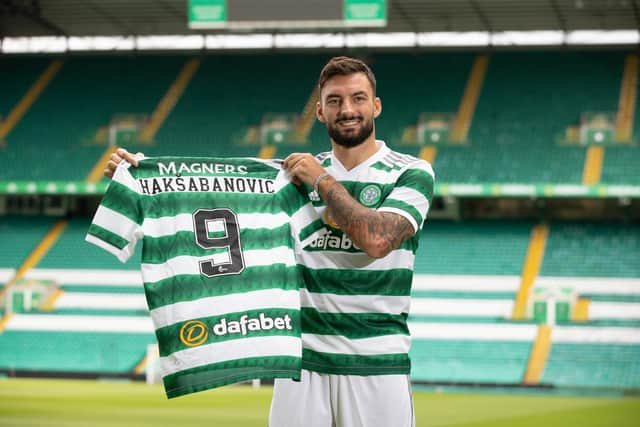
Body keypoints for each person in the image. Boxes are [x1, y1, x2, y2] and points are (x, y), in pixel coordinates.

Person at [105, 56, 434, 427]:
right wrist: (144, 176)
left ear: (375, 106)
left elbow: (379, 239)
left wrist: (322, 181)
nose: (347, 109)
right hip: (300, 363)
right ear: (320, 113)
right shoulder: (289, 177)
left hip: (377, 363)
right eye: (335, 100)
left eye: (358, 98)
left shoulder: (410, 171)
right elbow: (213, 189)